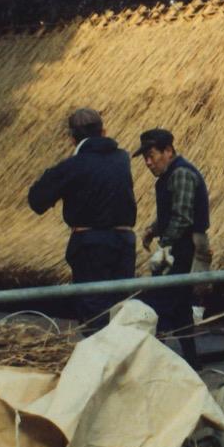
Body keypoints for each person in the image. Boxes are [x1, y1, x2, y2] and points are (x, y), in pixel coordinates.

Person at [28, 108, 137, 333]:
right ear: (104, 131)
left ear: (72, 138)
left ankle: (97, 363)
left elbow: (37, 200)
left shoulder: (73, 166)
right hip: (124, 242)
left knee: (94, 310)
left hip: (91, 244)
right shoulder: (122, 158)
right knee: (121, 309)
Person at [135, 128, 210, 366]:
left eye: (152, 155)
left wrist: (163, 246)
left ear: (168, 151)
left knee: (159, 303)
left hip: (183, 249)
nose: (148, 162)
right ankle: (191, 361)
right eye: (145, 157)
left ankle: (155, 363)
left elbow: (183, 218)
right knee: (179, 310)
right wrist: (152, 230)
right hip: (177, 247)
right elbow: (171, 214)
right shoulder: (170, 176)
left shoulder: (181, 174)